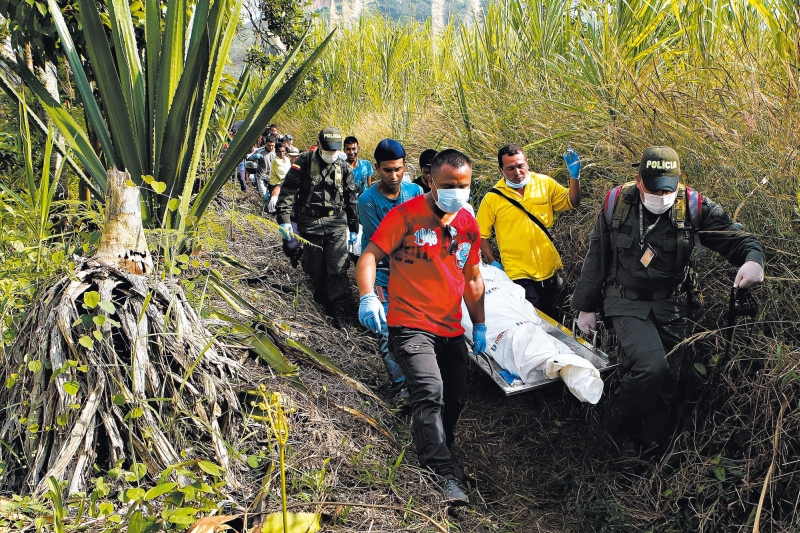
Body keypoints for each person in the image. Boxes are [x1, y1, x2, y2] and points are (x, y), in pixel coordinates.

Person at [572, 146, 765, 458]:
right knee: (651, 364)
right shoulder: (616, 202)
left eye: (668, 188)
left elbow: (738, 240)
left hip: (672, 304)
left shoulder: (693, 205)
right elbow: (598, 255)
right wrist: (586, 306)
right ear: (639, 180)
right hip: (625, 301)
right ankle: (627, 432)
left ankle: (653, 441)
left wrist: (753, 260)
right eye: (653, 188)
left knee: (671, 377)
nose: (661, 195)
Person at [356, 149, 486, 505]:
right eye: (448, 185)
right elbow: (369, 256)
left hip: (450, 327)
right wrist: (368, 296)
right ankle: (442, 473)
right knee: (429, 392)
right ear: (430, 180)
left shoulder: (467, 224)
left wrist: (480, 325)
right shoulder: (406, 216)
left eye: (464, 185)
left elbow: (473, 278)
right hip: (409, 324)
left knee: (455, 398)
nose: (456, 192)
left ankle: (440, 446)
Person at [476, 144, 582, 319]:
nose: (517, 172)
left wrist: (575, 177)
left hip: (548, 266)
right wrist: (492, 260)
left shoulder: (545, 184)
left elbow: (573, 202)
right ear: (500, 170)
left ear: (527, 163)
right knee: (534, 315)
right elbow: (481, 234)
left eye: (520, 166)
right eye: (510, 168)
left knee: (555, 314)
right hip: (517, 271)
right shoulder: (492, 198)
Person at [358, 139, 423, 405]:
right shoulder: (368, 200)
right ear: (377, 169)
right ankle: (401, 388)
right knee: (386, 330)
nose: (393, 176)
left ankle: (419, 378)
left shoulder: (416, 191)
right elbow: (382, 244)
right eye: (387, 170)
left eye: (398, 169)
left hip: (414, 271)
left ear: (405, 166)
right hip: (384, 272)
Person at [276, 127, 359, 331]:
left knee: (338, 266)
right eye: (327, 150)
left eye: (334, 151)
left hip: (336, 223)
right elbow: (287, 193)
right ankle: (323, 300)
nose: (331, 155)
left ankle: (339, 308)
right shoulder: (303, 163)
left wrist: (354, 227)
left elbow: (351, 198)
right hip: (310, 222)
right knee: (316, 267)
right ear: (319, 145)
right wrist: (285, 221)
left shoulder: (343, 167)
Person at [266, 142, 291, 213]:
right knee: (274, 203)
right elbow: (283, 176)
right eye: (279, 151)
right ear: (276, 152)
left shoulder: (287, 159)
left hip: (285, 183)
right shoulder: (276, 161)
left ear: (285, 151)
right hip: (277, 185)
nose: (281, 153)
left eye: (283, 151)